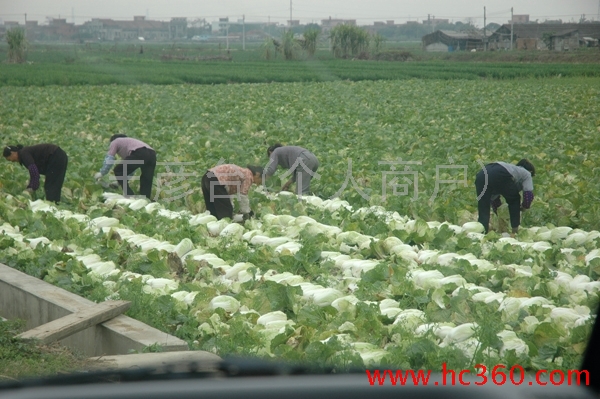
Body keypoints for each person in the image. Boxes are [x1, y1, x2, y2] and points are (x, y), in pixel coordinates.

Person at [475, 159, 535, 234]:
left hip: (481, 175)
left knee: (483, 207)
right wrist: (524, 206)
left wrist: (500, 212)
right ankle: (515, 231)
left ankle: (482, 233)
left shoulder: (511, 169)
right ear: (530, 172)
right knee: (514, 199)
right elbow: (528, 195)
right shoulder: (526, 173)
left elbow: (494, 200)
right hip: (500, 173)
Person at [95, 134, 156, 200]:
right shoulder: (130, 144)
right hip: (152, 154)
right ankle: (145, 199)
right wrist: (119, 182)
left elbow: (109, 159)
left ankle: (129, 195)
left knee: (118, 170)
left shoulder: (115, 141)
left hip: (140, 152)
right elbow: (129, 170)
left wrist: (102, 173)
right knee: (146, 178)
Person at [3, 144, 68, 204]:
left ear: (12, 153)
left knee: (51, 185)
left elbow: (33, 170)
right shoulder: (24, 153)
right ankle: (55, 204)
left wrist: (32, 187)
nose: (11, 161)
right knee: (54, 184)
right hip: (59, 155)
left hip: (54, 155)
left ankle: (53, 206)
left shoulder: (23, 154)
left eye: (9, 159)